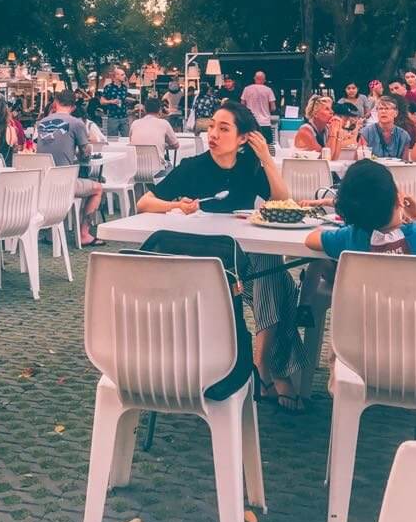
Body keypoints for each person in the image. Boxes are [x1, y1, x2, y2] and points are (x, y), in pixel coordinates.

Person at [138, 102, 308, 412]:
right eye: (212, 126)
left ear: (244, 138)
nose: (212, 133)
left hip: (244, 257)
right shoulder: (193, 167)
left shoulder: (250, 168)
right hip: (207, 263)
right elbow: (144, 202)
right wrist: (175, 206)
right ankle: (269, 369)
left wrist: (268, 160)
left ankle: (260, 363)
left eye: (223, 128)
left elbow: (285, 203)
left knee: (272, 266)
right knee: (280, 278)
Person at [305, 159, 416, 258]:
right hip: (412, 306)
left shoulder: (351, 236)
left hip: (364, 306)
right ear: (399, 200)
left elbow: (310, 240)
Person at [36, 90, 104, 245]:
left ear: (55, 103)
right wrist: (82, 155)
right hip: (63, 184)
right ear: (73, 107)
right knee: (98, 188)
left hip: (42, 182)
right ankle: (85, 234)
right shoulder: (76, 123)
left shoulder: (42, 123)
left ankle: (49, 232)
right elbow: (85, 152)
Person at [129, 97, 179, 164]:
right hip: (157, 167)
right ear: (160, 110)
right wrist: (163, 145)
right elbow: (176, 145)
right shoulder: (164, 123)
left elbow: (131, 141)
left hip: (135, 167)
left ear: (144, 110)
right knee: (170, 165)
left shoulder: (135, 123)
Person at [240, 71, 276, 142]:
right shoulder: (268, 90)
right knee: (266, 146)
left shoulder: (247, 89)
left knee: (250, 147)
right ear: (264, 80)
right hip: (265, 123)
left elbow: (242, 106)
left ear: (254, 78)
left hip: (251, 123)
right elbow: (273, 108)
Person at [100, 66, 130, 137]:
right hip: (113, 117)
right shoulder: (108, 87)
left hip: (124, 117)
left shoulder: (124, 88)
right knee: (112, 139)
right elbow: (102, 101)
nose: (124, 76)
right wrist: (111, 101)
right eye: (122, 75)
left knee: (126, 138)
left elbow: (124, 100)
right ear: (116, 76)